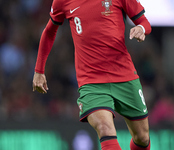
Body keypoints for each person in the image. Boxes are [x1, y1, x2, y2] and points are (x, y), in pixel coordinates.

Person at [32, 0, 152, 149]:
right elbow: (50, 31)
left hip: (124, 75)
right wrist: (39, 71)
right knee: (104, 128)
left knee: (142, 137)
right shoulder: (62, 1)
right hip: (91, 81)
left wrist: (141, 28)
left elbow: (144, 22)